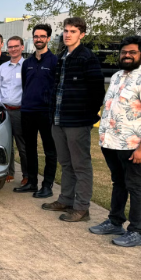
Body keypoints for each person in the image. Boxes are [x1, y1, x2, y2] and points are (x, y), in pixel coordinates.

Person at [90, 35, 141, 247]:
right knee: (118, 182)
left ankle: (136, 231)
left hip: (132, 145)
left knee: (135, 185)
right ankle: (115, 221)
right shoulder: (116, 77)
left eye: (132, 52)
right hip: (111, 142)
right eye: (124, 52)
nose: (127, 56)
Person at [42, 17, 105, 222]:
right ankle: (66, 200)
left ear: (82, 34)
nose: (68, 35)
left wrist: (87, 116)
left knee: (81, 165)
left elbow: (97, 92)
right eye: (66, 31)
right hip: (58, 119)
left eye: (73, 31)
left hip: (77, 122)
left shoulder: (87, 58)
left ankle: (82, 207)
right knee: (66, 163)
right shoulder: (62, 57)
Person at [19, 24, 58, 197]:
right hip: (27, 111)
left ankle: (47, 185)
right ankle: (32, 182)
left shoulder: (55, 61)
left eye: (42, 36)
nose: (39, 39)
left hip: (46, 112)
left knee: (50, 150)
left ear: (48, 38)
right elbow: (24, 85)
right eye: (36, 36)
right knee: (30, 149)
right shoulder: (27, 63)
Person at [0, 36, 28, 184]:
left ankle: (27, 175)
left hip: (20, 111)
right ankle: (9, 172)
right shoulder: (2, 68)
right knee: (7, 144)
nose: (13, 49)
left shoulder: (27, 66)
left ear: (22, 47)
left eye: (16, 46)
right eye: (10, 46)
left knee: (23, 145)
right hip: (5, 111)